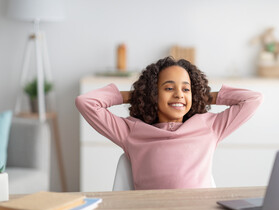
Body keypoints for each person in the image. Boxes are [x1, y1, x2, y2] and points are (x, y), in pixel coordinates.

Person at [76, 56, 263, 190]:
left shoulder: (210, 126)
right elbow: (86, 102)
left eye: (186, 89)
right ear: (153, 93)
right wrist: (134, 95)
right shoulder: (131, 131)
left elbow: (253, 99)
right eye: (169, 88)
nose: (179, 94)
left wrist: (202, 96)